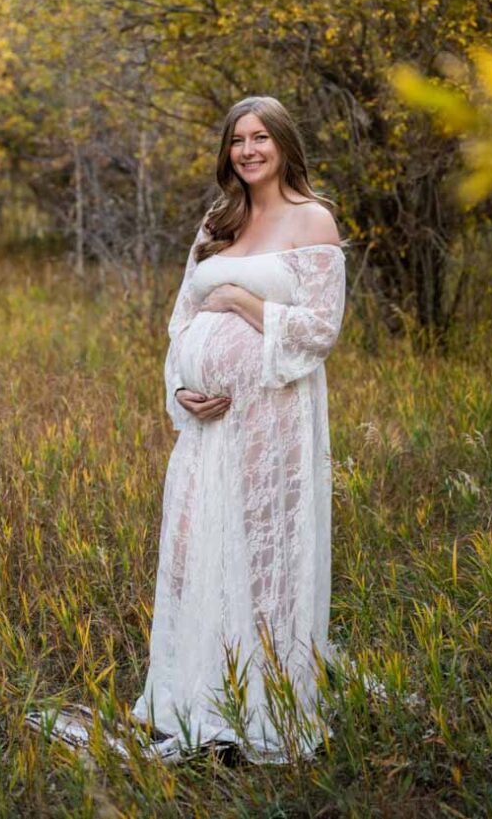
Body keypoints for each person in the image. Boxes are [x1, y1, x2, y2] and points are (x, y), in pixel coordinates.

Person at [132, 95, 346, 763]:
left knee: (263, 550)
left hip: (273, 422)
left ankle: (265, 703)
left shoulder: (313, 219)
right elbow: (180, 322)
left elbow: (320, 328)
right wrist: (181, 388)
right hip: (206, 432)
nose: (248, 150)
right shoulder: (218, 220)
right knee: (197, 549)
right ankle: (192, 696)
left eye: (260, 138)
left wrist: (239, 301)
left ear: (284, 143)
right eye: (237, 140)